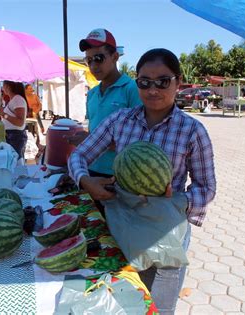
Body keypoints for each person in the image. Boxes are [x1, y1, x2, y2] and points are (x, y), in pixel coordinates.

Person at [68, 48, 216, 314]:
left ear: (177, 82)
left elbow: (206, 187)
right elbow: (80, 155)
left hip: (166, 229)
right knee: (124, 300)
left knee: (159, 306)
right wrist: (85, 181)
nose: (153, 89)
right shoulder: (120, 121)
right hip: (123, 225)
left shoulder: (193, 131)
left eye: (163, 81)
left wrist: (177, 201)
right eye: (144, 82)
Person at [67, 28, 141, 216]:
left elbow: (141, 143)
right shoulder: (91, 93)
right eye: (88, 60)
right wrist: (81, 137)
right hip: (90, 172)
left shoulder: (132, 89)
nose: (93, 65)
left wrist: (90, 139)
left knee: (117, 234)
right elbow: (93, 129)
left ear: (115, 57)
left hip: (119, 177)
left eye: (98, 58)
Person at [0, 80, 28, 159]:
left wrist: (3, 114)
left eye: (3, 86)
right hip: (13, 136)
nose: (3, 88)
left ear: (8, 86)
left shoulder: (17, 99)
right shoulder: (14, 99)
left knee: (15, 163)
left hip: (15, 137)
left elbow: (20, 122)